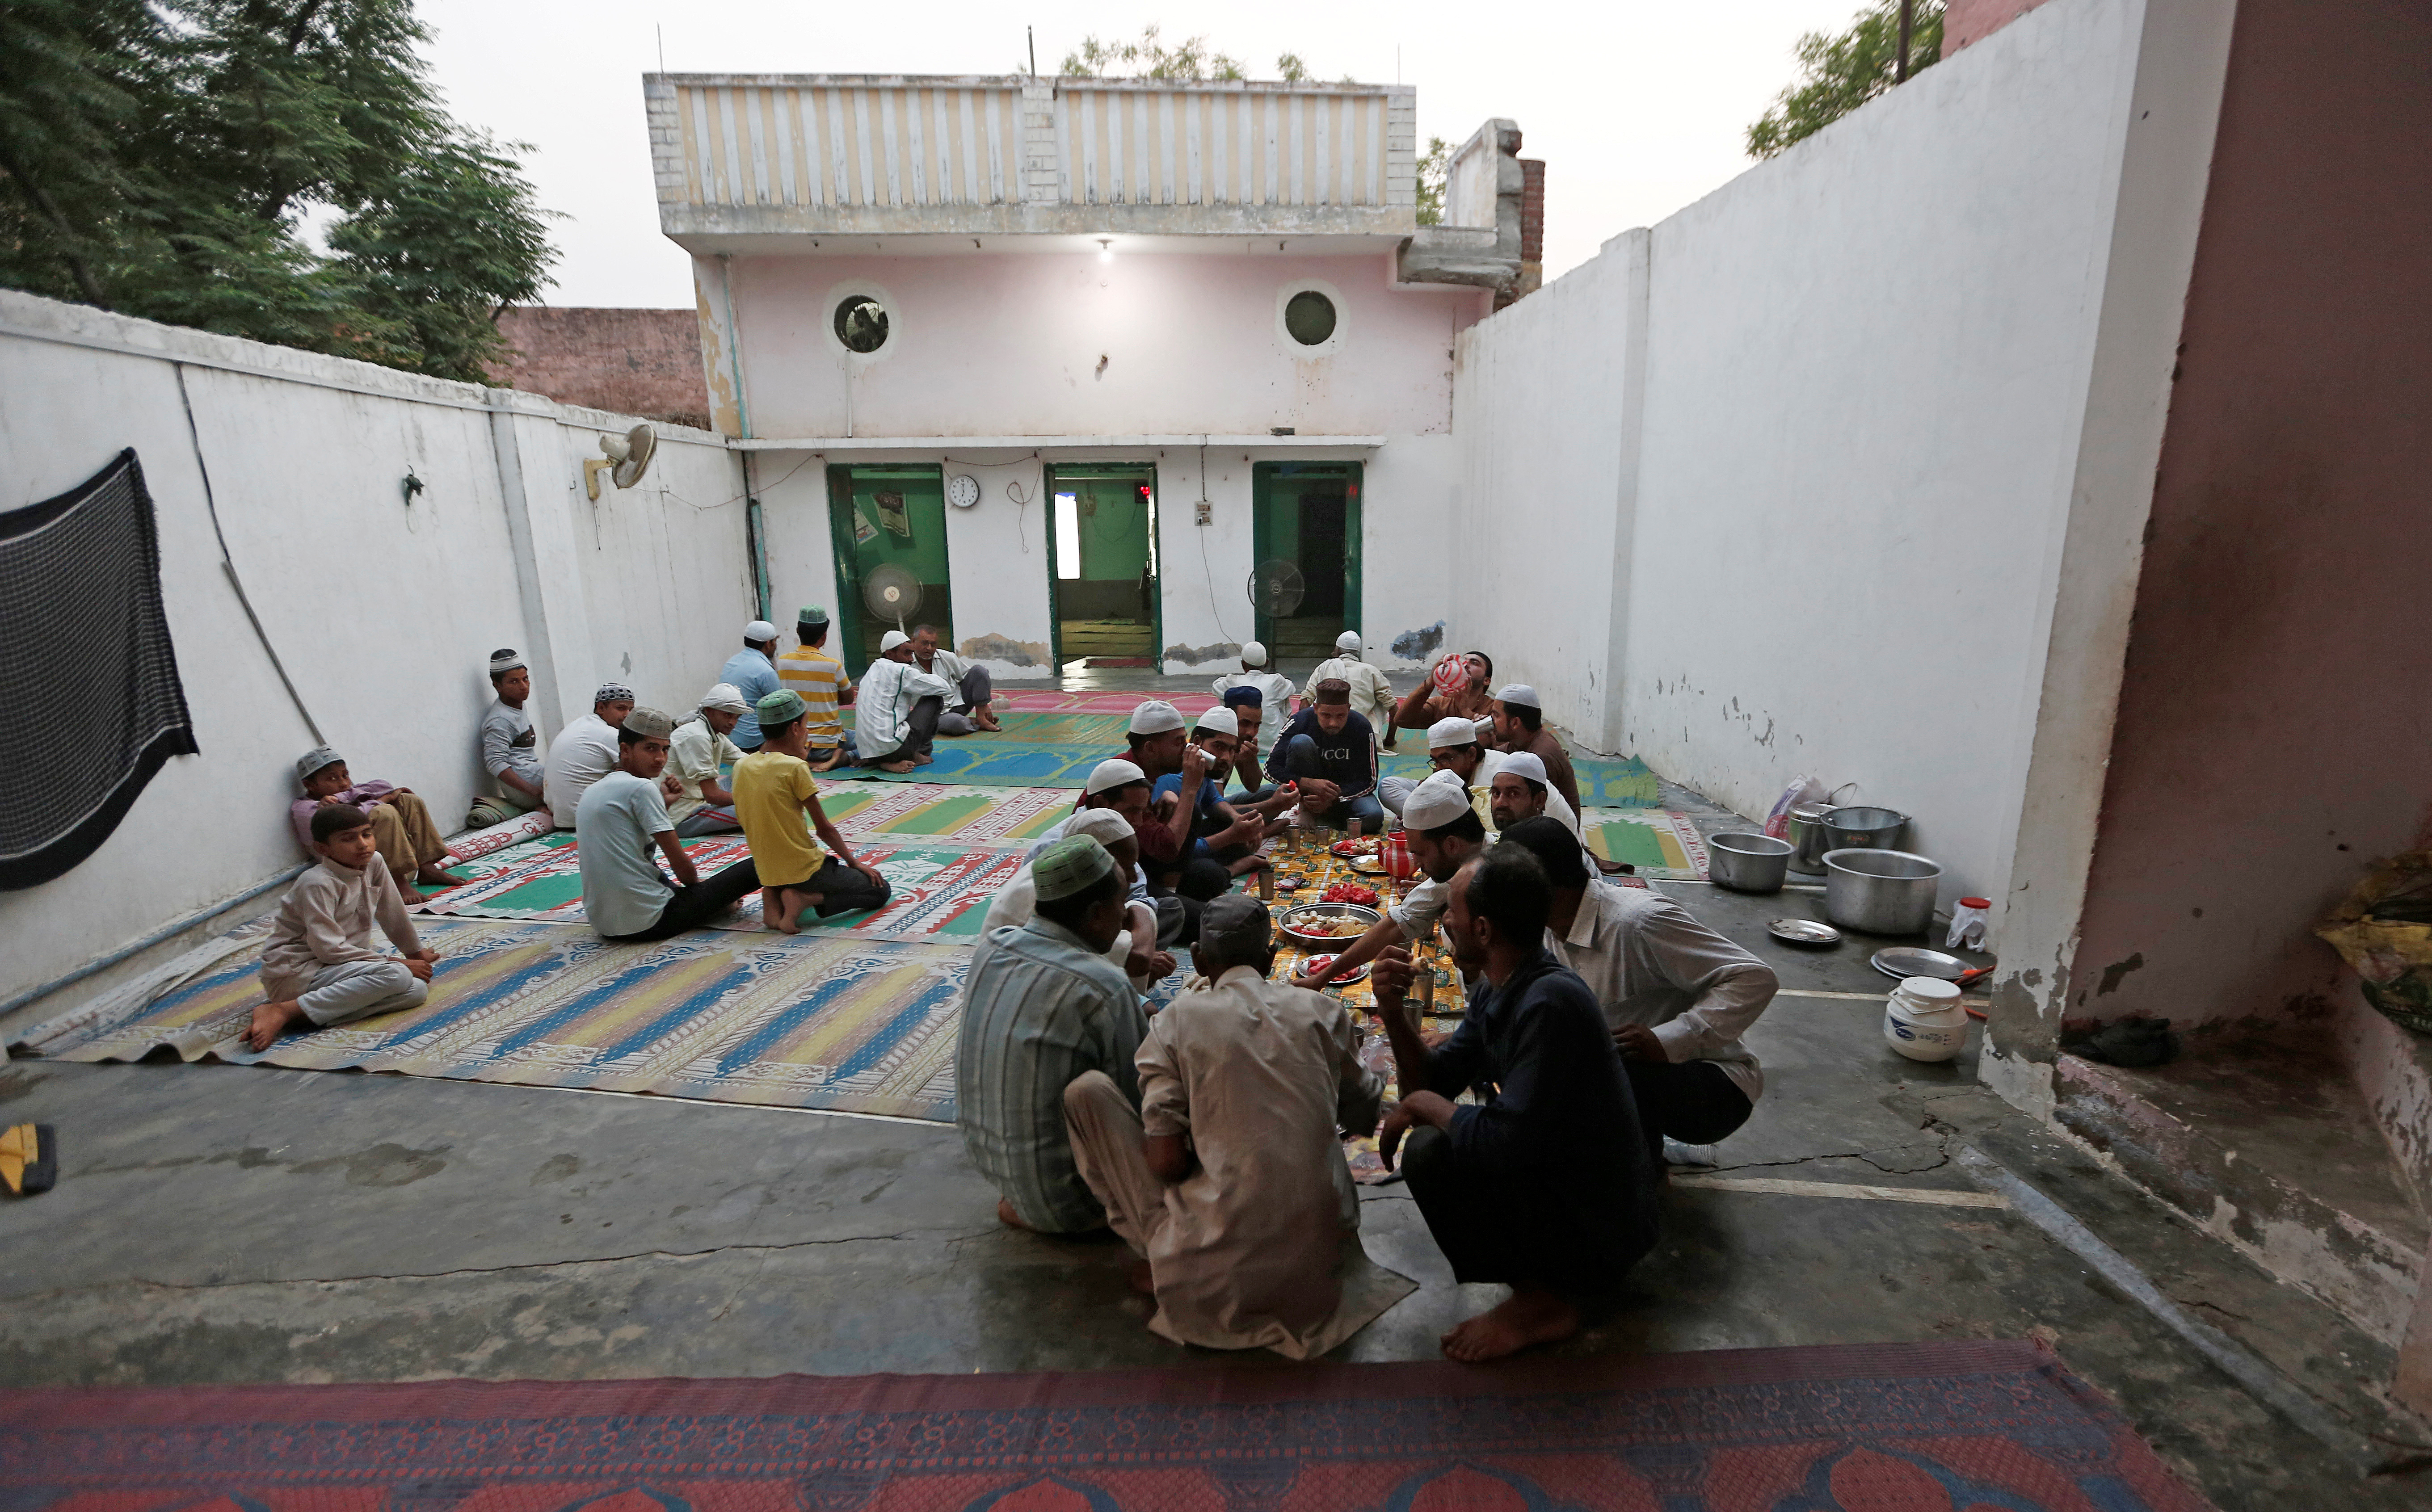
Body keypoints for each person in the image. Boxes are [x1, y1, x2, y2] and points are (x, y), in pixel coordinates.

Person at [1063, 894, 1403, 1357]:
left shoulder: (1174, 1022)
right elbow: (1363, 1115)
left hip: (1217, 1269)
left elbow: (1165, 1164)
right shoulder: (1322, 1012)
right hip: (1319, 1265)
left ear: (1199, 960)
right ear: (1270, 957)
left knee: (1086, 1093)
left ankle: (1169, 1261)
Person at [1370, 844, 1659, 1361]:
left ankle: (1545, 1304)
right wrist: (1393, 1013)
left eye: (1452, 912)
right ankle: (1539, 1282)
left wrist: (1423, 1106)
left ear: (1482, 929)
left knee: (1431, 1152)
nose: (1445, 921)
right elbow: (1435, 1082)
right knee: (1440, 1137)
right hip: (1559, 1181)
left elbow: (1502, 1140)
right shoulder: (1499, 986)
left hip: (1602, 1230)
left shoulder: (1551, 1003)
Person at [1496, 817, 1777, 1165]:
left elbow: (1754, 977)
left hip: (1714, 1085)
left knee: (1593, 1070)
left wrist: (1669, 1039)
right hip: (1631, 1076)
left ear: (1540, 891)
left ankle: (1641, 1181)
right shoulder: (1548, 929)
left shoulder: (1638, 921)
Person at [957, 835, 1152, 1235]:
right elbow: (1139, 1108)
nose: (1125, 919)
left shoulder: (992, 945)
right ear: (1096, 915)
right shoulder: (1104, 986)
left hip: (999, 1174)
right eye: (1121, 907)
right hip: (1074, 1203)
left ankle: (1024, 1202)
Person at [244, 803, 440, 1052]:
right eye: (348, 839)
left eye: (366, 835)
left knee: (416, 991)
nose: (362, 844)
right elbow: (328, 949)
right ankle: (283, 1009)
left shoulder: (374, 862)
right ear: (323, 848)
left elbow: (392, 910)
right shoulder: (317, 884)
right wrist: (396, 962)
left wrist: (414, 953)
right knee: (397, 975)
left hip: (338, 967)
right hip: (297, 971)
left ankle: (302, 1014)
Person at [574, 706, 762, 941]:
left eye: (665, 750)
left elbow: (632, 844)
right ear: (625, 750)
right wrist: (710, 898)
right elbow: (683, 870)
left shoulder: (595, 789)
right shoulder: (641, 788)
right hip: (649, 922)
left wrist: (664, 805)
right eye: (650, 749)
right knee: (760, 863)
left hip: (606, 924)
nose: (660, 759)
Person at [1296, 770, 1486, 989]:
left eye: (1420, 854)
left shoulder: (1500, 876)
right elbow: (1394, 925)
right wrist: (1321, 978)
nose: (1417, 864)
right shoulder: (1458, 865)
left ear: (1451, 845)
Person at [734, 689, 892, 933]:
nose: (807, 732)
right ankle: (804, 899)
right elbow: (824, 829)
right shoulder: (795, 767)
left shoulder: (742, 765)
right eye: (806, 726)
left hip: (767, 869)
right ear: (796, 728)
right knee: (880, 890)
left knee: (787, 875)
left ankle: (774, 895)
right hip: (804, 870)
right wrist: (854, 863)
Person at [983, 807, 1175, 987]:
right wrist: (1143, 916)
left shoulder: (1066, 869)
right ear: (1094, 861)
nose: (1133, 877)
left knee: (1166, 909)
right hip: (1021, 984)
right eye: (1125, 868)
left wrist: (1139, 910)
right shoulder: (1055, 892)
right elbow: (1139, 959)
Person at [1030, 758, 1197, 949]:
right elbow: (1055, 915)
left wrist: (1136, 921)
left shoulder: (1115, 832)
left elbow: (1138, 892)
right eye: (1133, 811)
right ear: (1101, 803)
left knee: (1171, 907)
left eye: (1142, 812)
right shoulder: (1056, 847)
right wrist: (1129, 949)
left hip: (1106, 915)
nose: (1140, 822)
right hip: (1068, 930)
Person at [289, 748, 463, 906]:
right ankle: (397, 884)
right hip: (363, 874)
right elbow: (351, 819)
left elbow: (383, 786)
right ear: (310, 785)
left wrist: (352, 796)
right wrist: (381, 801)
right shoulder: (305, 810)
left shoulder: (347, 793)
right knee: (383, 811)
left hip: (404, 866)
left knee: (408, 800)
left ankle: (428, 868)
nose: (343, 783)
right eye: (332, 779)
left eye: (345, 775)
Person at [1149, 706, 1277, 882]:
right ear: (1197, 742)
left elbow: (1214, 801)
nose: (1226, 757)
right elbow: (1174, 848)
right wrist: (1232, 835)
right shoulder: (1170, 782)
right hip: (1167, 862)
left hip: (1189, 843)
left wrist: (1238, 821)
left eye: (1232, 750)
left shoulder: (1205, 772)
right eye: (1218, 747)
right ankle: (1236, 867)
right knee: (1210, 875)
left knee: (1235, 831)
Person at [1265, 680, 1383, 833]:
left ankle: (1323, 816)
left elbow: (1370, 780)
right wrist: (1306, 783)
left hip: (1343, 794)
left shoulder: (1361, 726)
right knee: (1301, 742)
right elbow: (1270, 768)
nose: (1333, 723)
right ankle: (1307, 810)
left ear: (1349, 709)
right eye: (1326, 715)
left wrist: (1333, 798)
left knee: (1373, 817)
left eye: (1341, 716)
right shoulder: (1299, 722)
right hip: (1306, 794)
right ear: (1315, 709)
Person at [468, 648, 545, 828]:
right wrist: (532, 791)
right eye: (514, 682)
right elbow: (495, 763)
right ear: (497, 685)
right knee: (570, 775)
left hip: (531, 773)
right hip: (523, 786)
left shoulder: (517, 705)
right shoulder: (500, 720)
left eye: (525, 679)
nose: (524, 686)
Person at [543, 683, 638, 829]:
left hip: (563, 818)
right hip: (586, 821)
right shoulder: (608, 734)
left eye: (631, 710)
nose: (627, 715)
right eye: (621, 708)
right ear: (601, 708)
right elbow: (640, 770)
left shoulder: (580, 725)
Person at [857, 630, 954, 772]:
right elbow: (944, 687)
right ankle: (919, 752)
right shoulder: (900, 670)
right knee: (935, 697)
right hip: (894, 748)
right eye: (907, 654)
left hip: (866, 753)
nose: (912, 659)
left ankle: (882, 762)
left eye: (912, 653)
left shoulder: (872, 670)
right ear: (890, 654)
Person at [776, 606, 856, 771]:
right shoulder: (833, 666)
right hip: (826, 748)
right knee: (870, 740)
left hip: (793, 746)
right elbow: (848, 699)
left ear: (798, 631)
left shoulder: (782, 663)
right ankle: (837, 760)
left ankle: (805, 762)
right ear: (824, 636)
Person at [667, 684, 749, 836]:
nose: (733, 723)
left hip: (700, 800)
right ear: (709, 711)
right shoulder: (697, 736)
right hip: (684, 815)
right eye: (728, 715)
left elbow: (749, 763)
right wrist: (757, 798)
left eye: (737, 717)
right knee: (760, 810)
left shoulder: (715, 735)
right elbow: (713, 795)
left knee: (747, 773)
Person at [1488, 684, 1582, 817]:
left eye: (1496, 716)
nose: (1492, 722)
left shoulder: (1542, 756)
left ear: (1515, 723)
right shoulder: (1523, 739)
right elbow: (1499, 756)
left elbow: (1533, 810)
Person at [1213, 686, 1296, 818]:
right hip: (1200, 811)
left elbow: (1253, 787)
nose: (1251, 733)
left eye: (1257, 725)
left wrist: (1251, 761)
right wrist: (1271, 805)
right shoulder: (1215, 745)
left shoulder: (1238, 743)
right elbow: (1215, 809)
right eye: (1245, 724)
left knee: (1277, 792)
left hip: (1217, 805)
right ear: (1228, 717)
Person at [1300, 630, 1398, 743]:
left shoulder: (1324, 668)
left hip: (1323, 734)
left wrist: (1308, 732)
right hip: (1362, 735)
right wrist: (1390, 739)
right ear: (1357, 653)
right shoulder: (1370, 671)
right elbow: (1393, 708)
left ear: (1337, 650)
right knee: (1382, 700)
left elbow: (1305, 702)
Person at [910, 623, 1001, 734]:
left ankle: (981, 718)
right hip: (936, 714)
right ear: (913, 642)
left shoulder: (947, 657)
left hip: (960, 703)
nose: (929, 648)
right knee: (958, 724)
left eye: (933, 644)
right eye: (925, 643)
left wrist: (983, 705)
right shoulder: (906, 667)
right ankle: (972, 722)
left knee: (979, 671)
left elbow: (972, 678)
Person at [1393, 651, 1496, 743]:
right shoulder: (1440, 704)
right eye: (1463, 661)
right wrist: (1430, 682)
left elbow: (1491, 743)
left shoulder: (1495, 708)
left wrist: (1465, 711)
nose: (1465, 664)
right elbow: (1402, 721)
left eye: (1474, 663)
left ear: (1486, 681)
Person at [1487, 751, 1585, 841]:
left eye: (1514, 794)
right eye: (1496, 793)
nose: (1500, 802)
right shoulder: (1498, 842)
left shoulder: (1554, 847)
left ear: (1540, 800)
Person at [720, 620, 786, 752]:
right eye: (775, 642)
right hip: (755, 740)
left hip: (731, 736)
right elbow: (780, 708)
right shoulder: (765, 670)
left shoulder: (731, 663)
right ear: (768, 644)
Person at [1210, 639, 1295, 716]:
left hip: (1240, 732)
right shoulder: (1276, 681)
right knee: (1283, 695)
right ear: (1267, 663)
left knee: (1225, 696)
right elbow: (1290, 687)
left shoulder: (1232, 681)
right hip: (1274, 733)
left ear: (1243, 664)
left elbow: (1216, 687)